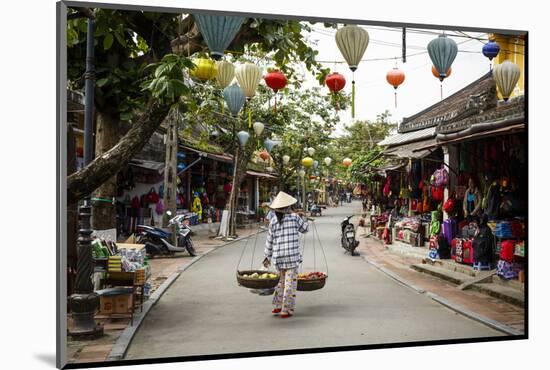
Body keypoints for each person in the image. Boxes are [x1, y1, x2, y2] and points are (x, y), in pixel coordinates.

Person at [263, 191, 309, 318]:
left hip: (278, 258)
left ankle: (278, 305)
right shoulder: (294, 218)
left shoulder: (273, 221)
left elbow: (269, 240)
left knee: (281, 282)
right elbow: (305, 229)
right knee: (290, 283)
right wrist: (303, 217)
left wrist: (267, 256)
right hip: (292, 257)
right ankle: (286, 309)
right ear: (288, 207)